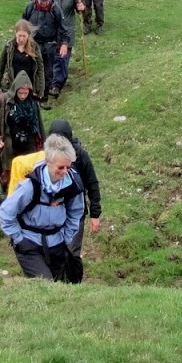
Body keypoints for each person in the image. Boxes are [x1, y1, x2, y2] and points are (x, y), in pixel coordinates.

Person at [0, 134, 84, 282]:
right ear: (47, 162)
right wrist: (19, 239)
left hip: (57, 243)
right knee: (46, 284)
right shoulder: (30, 186)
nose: (65, 172)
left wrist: (66, 236)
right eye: (60, 167)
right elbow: (6, 213)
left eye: (68, 167)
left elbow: (76, 212)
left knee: (61, 287)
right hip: (29, 244)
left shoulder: (72, 186)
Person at [47, 119, 102, 284]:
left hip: (75, 214)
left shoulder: (80, 156)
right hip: (52, 213)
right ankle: (56, 285)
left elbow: (92, 184)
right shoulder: (46, 157)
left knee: (71, 252)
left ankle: (75, 285)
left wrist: (95, 214)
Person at [0, 72, 44, 192]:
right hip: (11, 148)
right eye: (20, 93)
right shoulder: (2, 101)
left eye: (25, 93)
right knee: (9, 178)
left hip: (30, 147)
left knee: (30, 176)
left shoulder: (34, 103)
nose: (23, 96)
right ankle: (8, 201)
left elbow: (39, 125)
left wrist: (44, 146)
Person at [22, 0, 71, 103]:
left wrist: (64, 43)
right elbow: (23, 25)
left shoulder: (56, 9)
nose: (44, 2)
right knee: (31, 69)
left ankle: (43, 98)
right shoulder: (30, 7)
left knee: (48, 72)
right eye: (41, 0)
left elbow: (63, 28)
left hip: (50, 44)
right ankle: (30, 95)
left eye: (46, 0)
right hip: (33, 43)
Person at [46, 0, 82, 95]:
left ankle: (57, 85)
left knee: (62, 60)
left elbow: (81, 9)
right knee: (51, 59)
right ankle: (51, 84)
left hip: (67, 31)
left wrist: (81, 8)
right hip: (51, 32)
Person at [0, 19, 46, 98]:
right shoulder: (8, 47)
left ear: (28, 35)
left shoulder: (34, 48)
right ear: (15, 34)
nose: (21, 39)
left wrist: (41, 91)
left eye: (24, 36)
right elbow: (0, 68)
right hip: (11, 86)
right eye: (19, 36)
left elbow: (40, 70)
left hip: (28, 88)